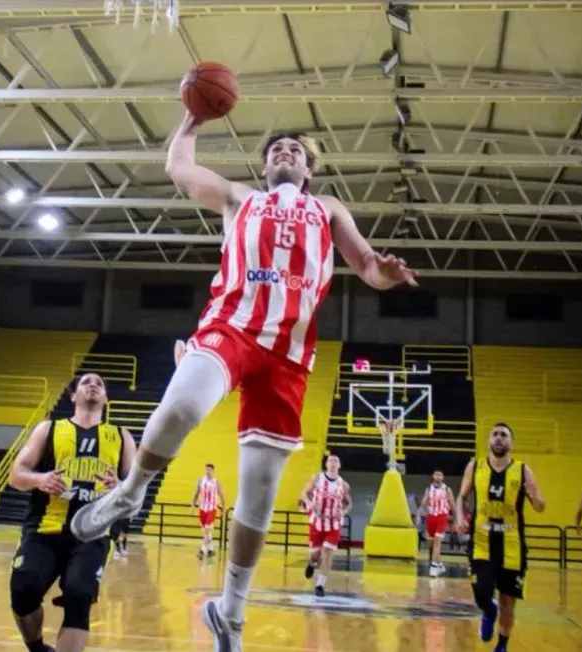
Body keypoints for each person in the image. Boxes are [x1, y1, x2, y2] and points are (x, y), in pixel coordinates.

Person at [70, 103, 418, 651]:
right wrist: (190, 119)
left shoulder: (327, 208)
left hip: (289, 353)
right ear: (264, 168)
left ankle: (230, 613)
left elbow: (367, 266)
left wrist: (387, 273)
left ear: (309, 170)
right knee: (182, 406)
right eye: (276, 150)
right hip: (231, 325)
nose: (286, 153)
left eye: (296, 151)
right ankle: (131, 493)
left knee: (259, 492)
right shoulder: (240, 198)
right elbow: (179, 170)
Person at [8, 373, 137, 652]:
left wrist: (122, 488)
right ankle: (38, 647)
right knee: (23, 592)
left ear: (106, 399)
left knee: (79, 596)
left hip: (93, 534)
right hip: (44, 530)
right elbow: (15, 475)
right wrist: (39, 480)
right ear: (73, 396)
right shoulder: (49, 429)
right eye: (85, 382)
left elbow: (138, 490)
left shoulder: (121, 436)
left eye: (100, 384)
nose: (93, 385)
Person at [455, 422, 546, 652]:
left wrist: (535, 497)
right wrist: (458, 517)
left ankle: (502, 645)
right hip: (482, 542)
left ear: (511, 443)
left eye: (504, 435)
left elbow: (540, 506)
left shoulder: (523, 469)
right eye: (495, 434)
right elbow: (461, 497)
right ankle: (488, 610)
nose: (499, 438)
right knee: (482, 593)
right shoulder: (475, 467)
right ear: (488, 440)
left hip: (512, 545)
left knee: (508, 602)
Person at [298, 454, 351, 596]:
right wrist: (310, 504)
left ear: (339, 466)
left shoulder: (344, 485)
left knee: (327, 552)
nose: (333, 463)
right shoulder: (317, 479)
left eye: (336, 461)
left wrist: (343, 512)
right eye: (330, 461)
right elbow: (304, 493)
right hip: (317, 521)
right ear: (326, 465)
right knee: (315, 555)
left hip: (333, 523)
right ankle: (311, 564)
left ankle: (320, 585)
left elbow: (348, 503)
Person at [418, 470, 456, 577]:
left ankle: (434, 567)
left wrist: (456, 518)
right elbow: (423, 502)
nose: (438, 477)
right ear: (433, 476)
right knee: (432, 544)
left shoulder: (447, 489)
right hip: (431, 517)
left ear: (443, 478)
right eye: (436, 474)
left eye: (440, 475)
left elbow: (453, 504)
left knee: (437, 542)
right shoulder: (428, 488)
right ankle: (439, 564)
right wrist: (418, 515)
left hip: (442, 516)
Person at [192, 463, 226, 559]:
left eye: (209, 470)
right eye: (206, 469)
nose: (208, 471)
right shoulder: (201, 480)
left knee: (207, 529)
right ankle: (211, 550)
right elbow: (196, 493)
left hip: (211, 508)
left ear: (213, 471)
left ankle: (202, 551)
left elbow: (221, 495)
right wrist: (193, 505)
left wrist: (223, 508)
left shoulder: (216, 482)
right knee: (206, 531)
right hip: (202, 508)